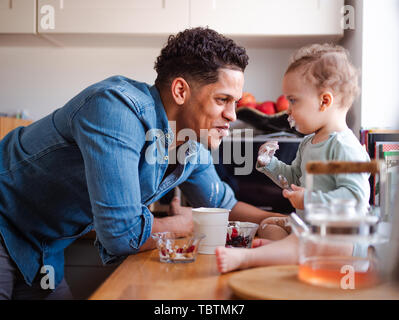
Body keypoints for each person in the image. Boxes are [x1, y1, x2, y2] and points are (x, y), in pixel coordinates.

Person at [0, 27, 283, 300]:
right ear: (181, 91)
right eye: (223, 100)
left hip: (43, 247)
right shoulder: (115, 109)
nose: (233, 115)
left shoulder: (191, 143)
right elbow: (122, 234)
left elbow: (223, 205)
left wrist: (291, 224)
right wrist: (187, 225)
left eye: (235, 102)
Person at [216, 43, 370, 273]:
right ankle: (283, 252)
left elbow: (355, 198)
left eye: (294, 100)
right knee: (269, 224)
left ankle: (250, 258)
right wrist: (270, 164)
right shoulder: (308, 142)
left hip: (342, 239)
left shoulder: (345, 146)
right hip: (309, 229)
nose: (288, 109)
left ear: (324, 101)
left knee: (301, 241)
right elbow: (293, 180)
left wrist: (309, 199)